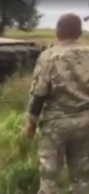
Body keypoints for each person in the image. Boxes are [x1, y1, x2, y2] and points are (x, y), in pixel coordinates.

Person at [24, 13, 89, 194]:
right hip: (86, 122)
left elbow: (39, 94)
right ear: (79, 32)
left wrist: (31, 122)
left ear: (58, 31)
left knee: (50, 177)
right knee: (82, 177)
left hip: (56, 124)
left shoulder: (49, 56)